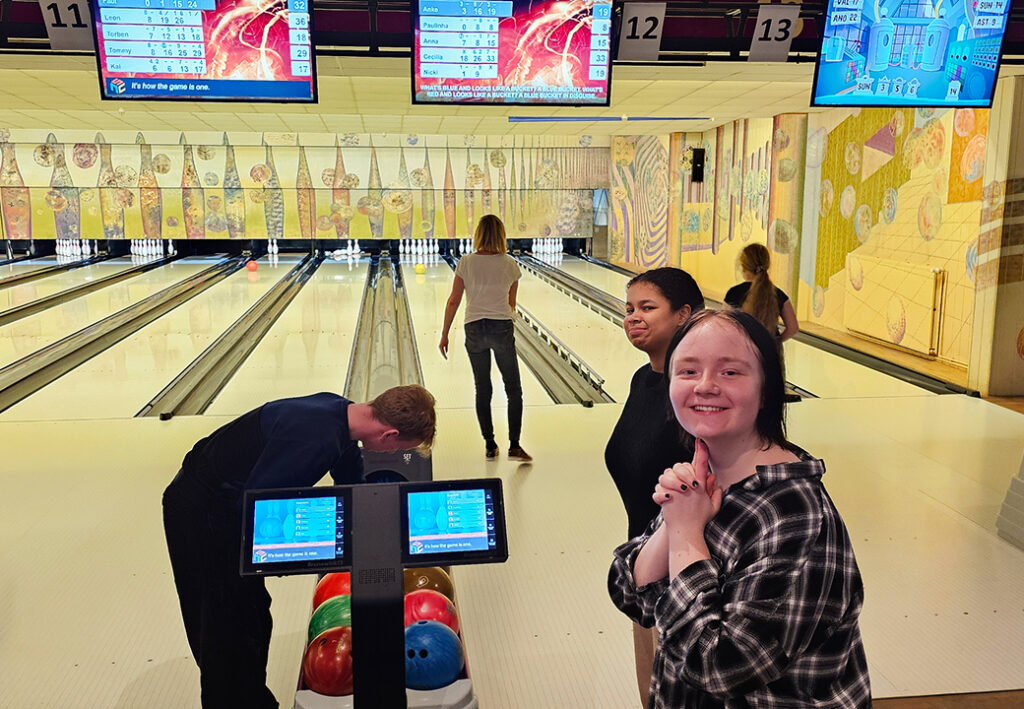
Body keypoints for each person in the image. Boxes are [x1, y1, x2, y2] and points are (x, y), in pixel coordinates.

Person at [608, 309, 870, 708]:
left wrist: (684, 534)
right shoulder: (703, 475)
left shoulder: (795, 514)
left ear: (766, 389)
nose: (706, 386)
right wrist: (676, 523)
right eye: (688, 371)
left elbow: (718, 666)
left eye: (731, 372)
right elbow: (633, 594)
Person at [163, 385, 437, 708]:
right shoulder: (315, 440)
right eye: (397, 449)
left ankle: (250, 698)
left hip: (229, 504)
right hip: (202, 511)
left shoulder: (343, 416)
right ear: (390, 435)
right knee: (225, 625)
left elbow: (350, 481)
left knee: (252, 615)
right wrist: (293, 556)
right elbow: (259, 516)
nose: (391, 455)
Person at [604, 267, 704, 707]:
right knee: (651, 693)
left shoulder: (699, 394)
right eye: (629, 309)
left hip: (692, 577)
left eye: (648, 308)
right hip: (645, 567)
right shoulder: (642, 380)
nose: (633, 318)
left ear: (683, 314)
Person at [439, 214, 531, 461]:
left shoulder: (466, 262)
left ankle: (490, 444)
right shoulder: (510, 264)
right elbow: (511, 304)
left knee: (483, 388)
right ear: (502, 235)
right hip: (501, 327)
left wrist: (445, 333)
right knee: (513, 389)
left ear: (478, 235)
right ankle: (514, 445)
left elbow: (453, 300)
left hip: (474, 328)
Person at [724, 243, 799, 342]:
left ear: (743, 267)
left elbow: (725, 327)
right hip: (769, 354)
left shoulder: (734, 293)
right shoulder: (779, 294)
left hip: (742, 351)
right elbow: (793, 328)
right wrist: (775, 343)